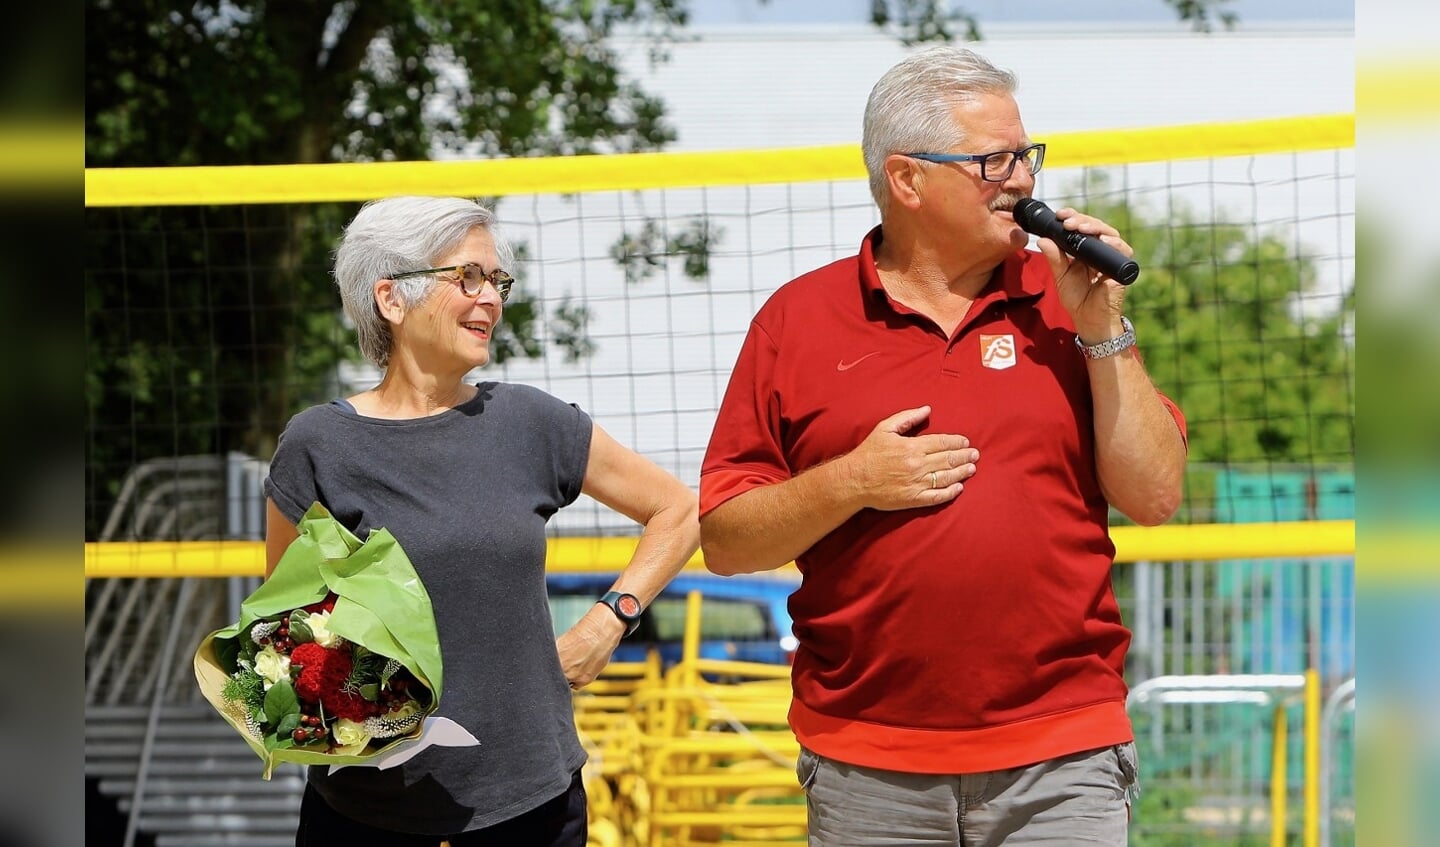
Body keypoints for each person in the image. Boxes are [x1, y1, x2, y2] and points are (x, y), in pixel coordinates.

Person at [699, 46, 1187, 846]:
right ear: (907, 180)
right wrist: (851, 481)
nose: (1024, 179)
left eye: (1026, 155)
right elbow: (723, 539)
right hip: (869, 767)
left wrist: (1103, 328)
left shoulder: (1070, 298)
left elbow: (1156, 496)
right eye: (993, 161)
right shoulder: (796, 321)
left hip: (1063, 757)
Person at [262, 195, 699, 846]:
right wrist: (338, 697)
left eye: (497, 280)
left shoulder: (532, 422)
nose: (491, 298)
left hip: (532, 807)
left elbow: (680, 509)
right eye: (468, 276)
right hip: (364, 811)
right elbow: (286, 631)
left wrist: (608, 621)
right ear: (391, 298)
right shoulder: (317, 445)